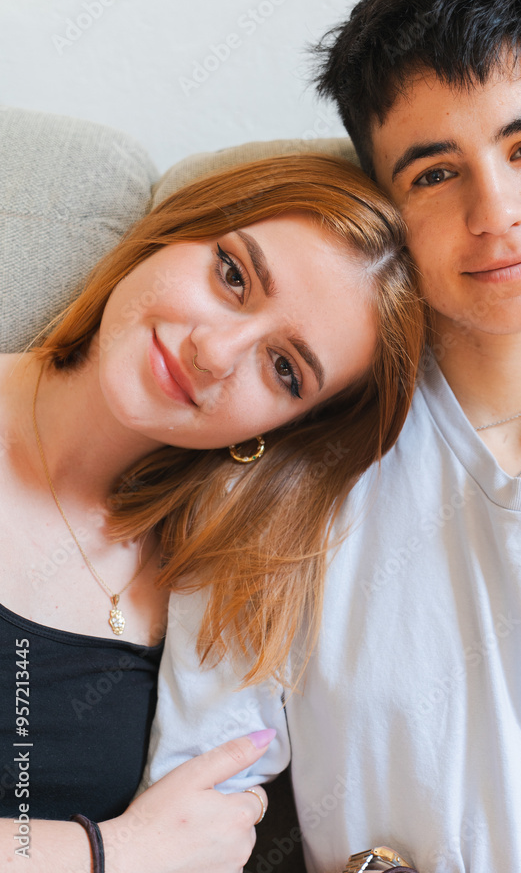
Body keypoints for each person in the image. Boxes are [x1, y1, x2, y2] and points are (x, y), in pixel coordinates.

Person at [146, 0, 521, 873]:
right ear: (385, 215)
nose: (496, 212)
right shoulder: (273, 486)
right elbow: (186, 825)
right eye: (434, 173)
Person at [0, 153, 424, 872]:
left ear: (286, 428)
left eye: (284, 369)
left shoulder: (209, 601)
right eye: (232, 276)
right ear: (175, 230)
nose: (215, 351)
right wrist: (112, 853)